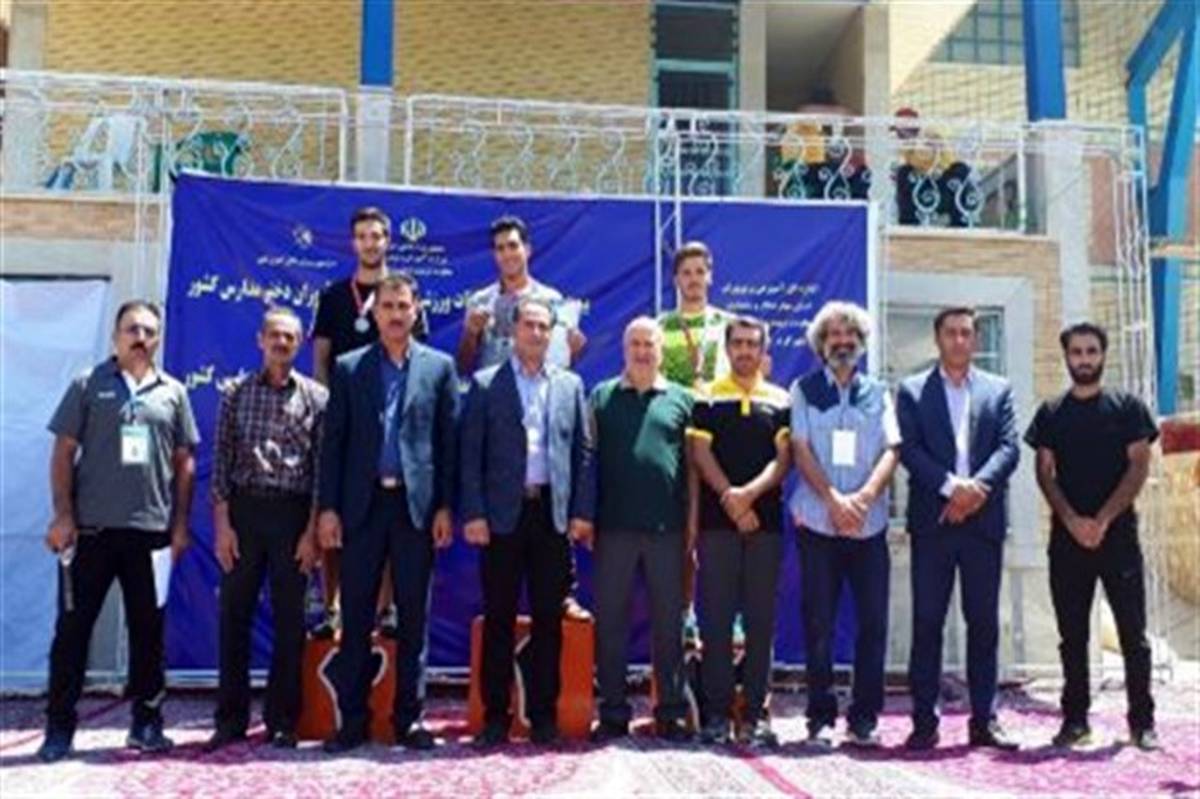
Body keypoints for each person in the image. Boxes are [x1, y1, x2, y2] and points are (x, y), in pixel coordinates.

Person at [37, 300, 199, 763]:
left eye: (148, 331)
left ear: (158, 338)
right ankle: (59, 728)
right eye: (132, 329)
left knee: (149, 632)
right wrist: (63, 515)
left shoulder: (174, 392)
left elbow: (185, 462)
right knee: (73, 632)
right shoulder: (88, 384)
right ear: (116, 336)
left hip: (151, 535)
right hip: (91, 532)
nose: (140, 338)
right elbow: (63, 451)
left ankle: (146, 724)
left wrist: (180, 525)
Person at [316, 273, 457, 753]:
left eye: (403, 306)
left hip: (416, 510)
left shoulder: (439, 368)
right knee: (356, 616)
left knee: (413, 617)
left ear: (416, 311)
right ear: (374, 314)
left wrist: (445, 506)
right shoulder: (349, 368)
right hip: (363, 508)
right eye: (387, 307)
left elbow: (448, 444)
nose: (396, 315)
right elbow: (333, 445)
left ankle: (409, 720)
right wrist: (328, 509)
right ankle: (352, 721)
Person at [460, 295, 595, 748]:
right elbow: (470, 454)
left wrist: (580, 512)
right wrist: (474, 513)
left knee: (548, 622)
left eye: (543, 327)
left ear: (552, 334)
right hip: (501, 517)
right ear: (512, 331)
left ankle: (543, 718)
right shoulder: (485, 384)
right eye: (529, 325)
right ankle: (495, 719)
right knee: (498, 618)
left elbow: (583, 452)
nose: (536, 333)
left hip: (550, 517)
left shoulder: (570, 386)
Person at [1025, 322, 1160, 751]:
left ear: (1103, 355)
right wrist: (1072, 520)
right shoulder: (1051, 413)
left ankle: (1142, 723)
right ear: (1066, 357)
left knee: (1133, 635)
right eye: (1077, 352)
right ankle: (1075, 721)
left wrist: (1101, 519)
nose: (1084, 359)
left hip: (1118, 538)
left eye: (1091, 351)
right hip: (1067, 542)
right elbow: (1044, 472)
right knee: (1072, 637)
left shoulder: (1128, 409)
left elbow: (1139, 466)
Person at [896, 306, 1020, 752]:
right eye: (951, 333)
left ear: (975, 339)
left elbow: (1009, 448)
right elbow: (909, 450)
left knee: (982, 624)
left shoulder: (998, 389)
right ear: (937, 338)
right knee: (927, 623)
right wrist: (952, 488)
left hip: (982, 526)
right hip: (935, 524)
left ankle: (984, 720)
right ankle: (924, 722)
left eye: (967, 333)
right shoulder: (912, 390)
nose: (959, 340)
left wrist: (976, 490)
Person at [204, 307, 326, 752]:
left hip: (293, 516)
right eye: (274, 335)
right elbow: (220, 463)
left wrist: (311, 533)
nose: (281, 343)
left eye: (289, 337)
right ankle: (230, 719)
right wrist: (223, 527)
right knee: (234, 617)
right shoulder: (235, 393)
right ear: (260, 340)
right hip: (244, 513)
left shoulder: (317, 397)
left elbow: (321, 471)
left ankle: (282, 721)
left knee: (291, 621)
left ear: (300, 343)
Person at [458, 214, 590, 623]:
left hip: (542, 425)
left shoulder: (553, 300)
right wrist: (471, 334)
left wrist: (574, 349)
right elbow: (464, 366)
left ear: (527, 250)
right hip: (498, 428)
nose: (507, 254)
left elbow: (562, 373)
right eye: (499, 248)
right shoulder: (479, 302)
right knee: (498, 606)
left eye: (513, 245)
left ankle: (565, 592)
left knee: (549, 607)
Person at [789, 302, 899, 748]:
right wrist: (834, 501)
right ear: (821, 343)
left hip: (869, 527)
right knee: (819, 624)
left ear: (861, 342)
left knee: (872, 624)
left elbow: (892, 450)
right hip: (819, 523)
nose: (842, 341)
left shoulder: (879, 392)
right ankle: (820, 717)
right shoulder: (804, 389)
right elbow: (800, 449)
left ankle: (864, 717)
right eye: (834, 334)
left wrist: (864, 499)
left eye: (850, 334)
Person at [311, 206, 414, 640]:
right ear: (353, 243)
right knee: (335, 510)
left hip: (390, 425)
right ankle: (332, 607)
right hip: (344, 420)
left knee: (391, 514)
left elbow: (417, 362)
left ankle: (386, 608)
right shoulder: (335, 296)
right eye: (363, 237)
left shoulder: (404, 293)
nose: (370, 244)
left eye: (377, 236)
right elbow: (321, 359)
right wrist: (326, 408)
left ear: (388, 241)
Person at [589, 317, 694, 743]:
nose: (642, 351)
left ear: (661, 350)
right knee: (610, 623)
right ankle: (613, 712)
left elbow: (692, 470)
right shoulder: (601, 397)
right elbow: (587, 461)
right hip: (613, 529)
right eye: (635, 343)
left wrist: (691, 527)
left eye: (649, 344)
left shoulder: (682, 400)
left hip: (667, 530)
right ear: (624, 349)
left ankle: (670, 711)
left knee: (668, 624)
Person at [689, 317, 790, 748]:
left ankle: (755, 715)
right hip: (718, 527)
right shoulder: (707, 395)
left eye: (753, 344)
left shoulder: (781, 400)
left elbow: (783, 460)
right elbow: (699, 452)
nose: (745, 350)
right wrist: (730, 498)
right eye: (738, 343)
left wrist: (748, 496)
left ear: (764, 351)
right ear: (727, 348)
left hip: (765, 527)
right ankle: (716, 715)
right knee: (714, 621)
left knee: (761, 622)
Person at [656, 241, 739, 649]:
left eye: (699, 272)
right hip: (675, 440)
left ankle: (732, 615)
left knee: (723, 527)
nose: (693, 280)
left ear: (710, 275)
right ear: (676, 279)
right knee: (684, 531)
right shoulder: (660, 326)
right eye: (685, 273)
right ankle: (684, 611)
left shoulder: (730, 325)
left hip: (721, 439)